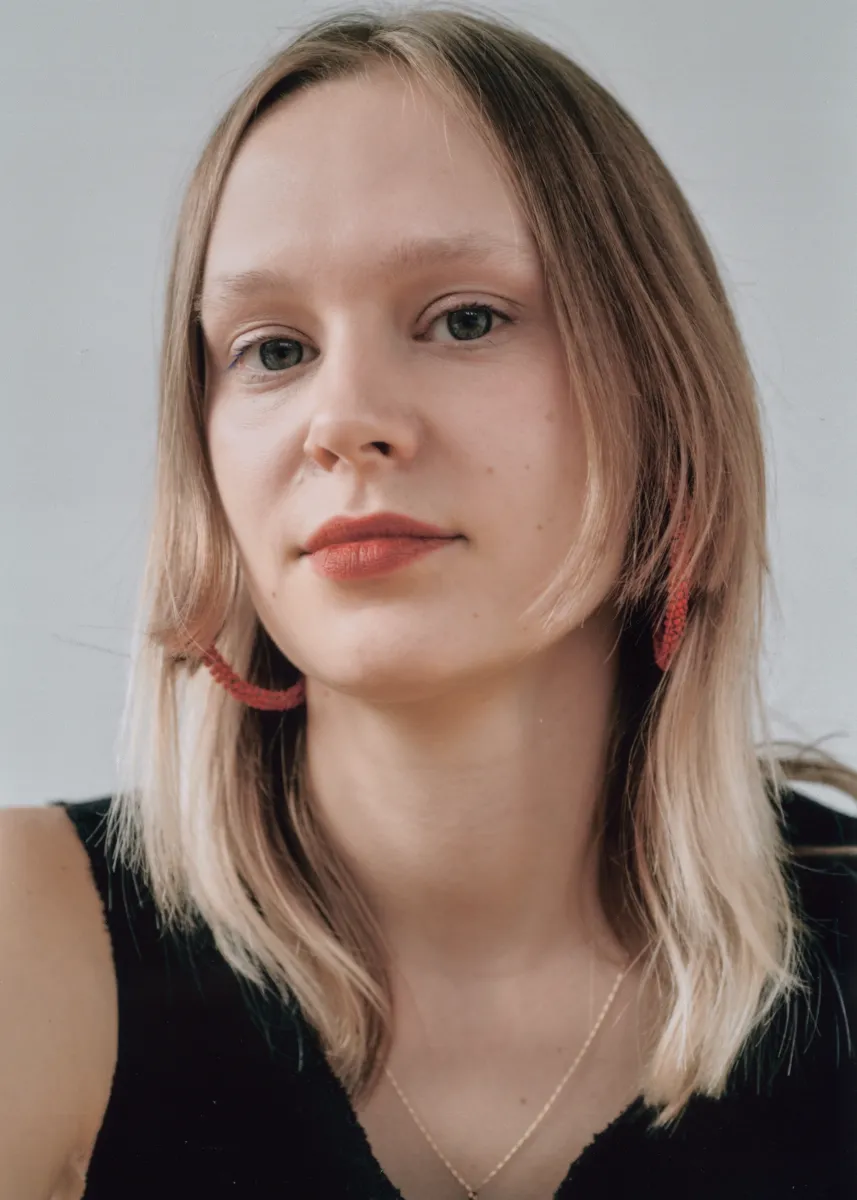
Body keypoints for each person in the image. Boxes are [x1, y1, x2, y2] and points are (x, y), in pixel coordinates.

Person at [1, 7, 855, 1199]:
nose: (341, 419)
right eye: (271, 348)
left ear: (664, 407)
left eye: (464, 319)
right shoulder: (29, 944)